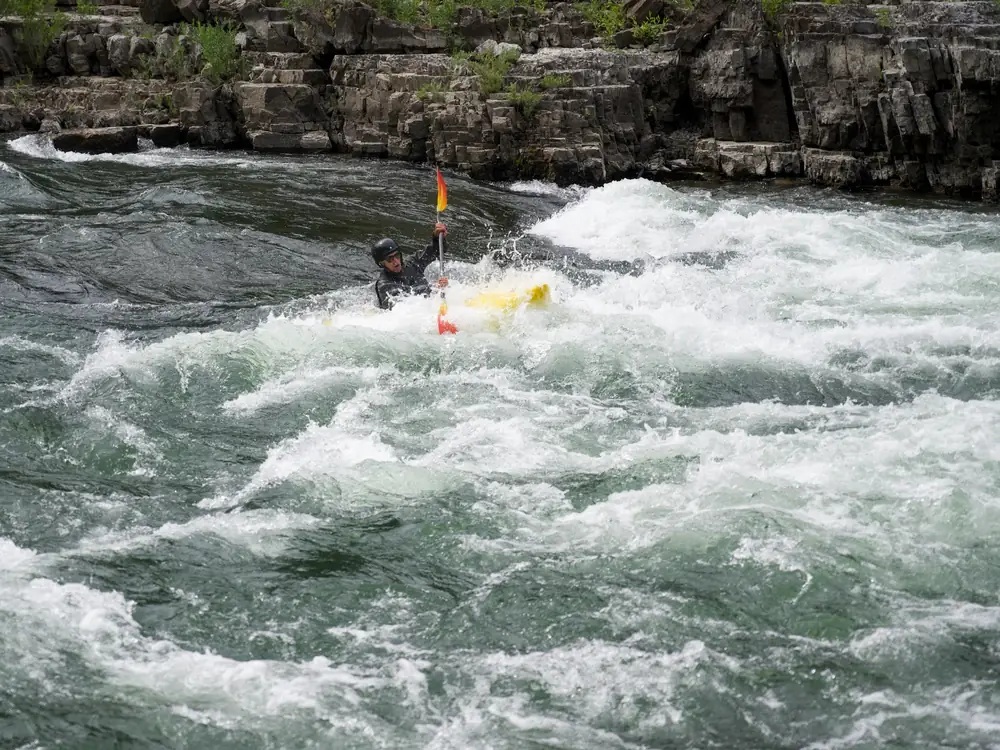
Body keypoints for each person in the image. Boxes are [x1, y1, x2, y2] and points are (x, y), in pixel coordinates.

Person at [372, 222, 449, 310]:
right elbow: (406, 301)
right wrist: (434, 288)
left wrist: (438, 237)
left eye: (397, 256)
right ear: (382, 264)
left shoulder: (412, 264)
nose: (396, 261)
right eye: (390, 259)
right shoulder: (384, 285)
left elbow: (435, 251)